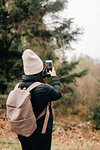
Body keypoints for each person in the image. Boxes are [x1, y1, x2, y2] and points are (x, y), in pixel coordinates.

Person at [18, 49, 61, 150]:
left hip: (23, 131)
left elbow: (33, 85)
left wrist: (40, 77)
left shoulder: (19, 86)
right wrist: (54, 77)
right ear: (39, 69)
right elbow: (58, 94)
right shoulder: (44, 88)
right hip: (40, 134)